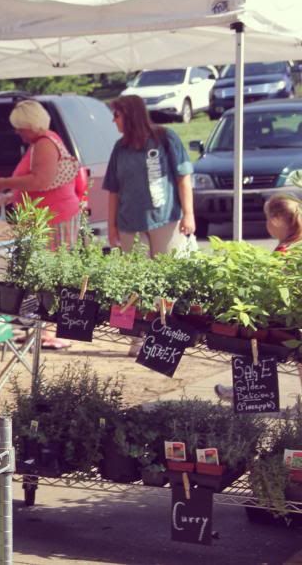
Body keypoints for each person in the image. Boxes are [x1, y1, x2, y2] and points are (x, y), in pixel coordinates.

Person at [215, 194, 301, 402]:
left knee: (252, 330)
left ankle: (247, 391)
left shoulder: (285, 251)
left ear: (278, 219)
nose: (266, 225)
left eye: (267, 219)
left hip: (291, 320)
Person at [103, 95, 195, 257]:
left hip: (166, 220)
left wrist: (188, 214)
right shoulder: (119, 148)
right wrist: (112, 227)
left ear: (130, 115)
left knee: (169, 273)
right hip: (129, 225)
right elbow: (113, 190)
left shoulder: (166, 138)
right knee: (137, 277)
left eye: (116, 115)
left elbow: (183, 177)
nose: (113, 121)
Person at [0, 100, 83, 246]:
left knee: (51, 266)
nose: (17, 131)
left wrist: (5, 182)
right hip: (48, 219)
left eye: (19, 127)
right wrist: (8, 197)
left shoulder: (44, 144)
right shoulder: (43, 141)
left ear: (30, 125)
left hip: (53, 220)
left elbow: (40, 181)